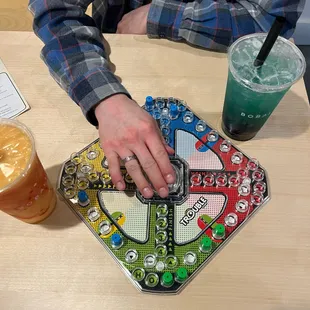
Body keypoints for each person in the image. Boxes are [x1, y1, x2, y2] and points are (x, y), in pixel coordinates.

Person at [28, 0, 305, 198]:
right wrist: (105, 98)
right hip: (117, 52)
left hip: (212, 67)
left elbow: (268, 21)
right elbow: (54, 9)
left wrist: (159, 15)